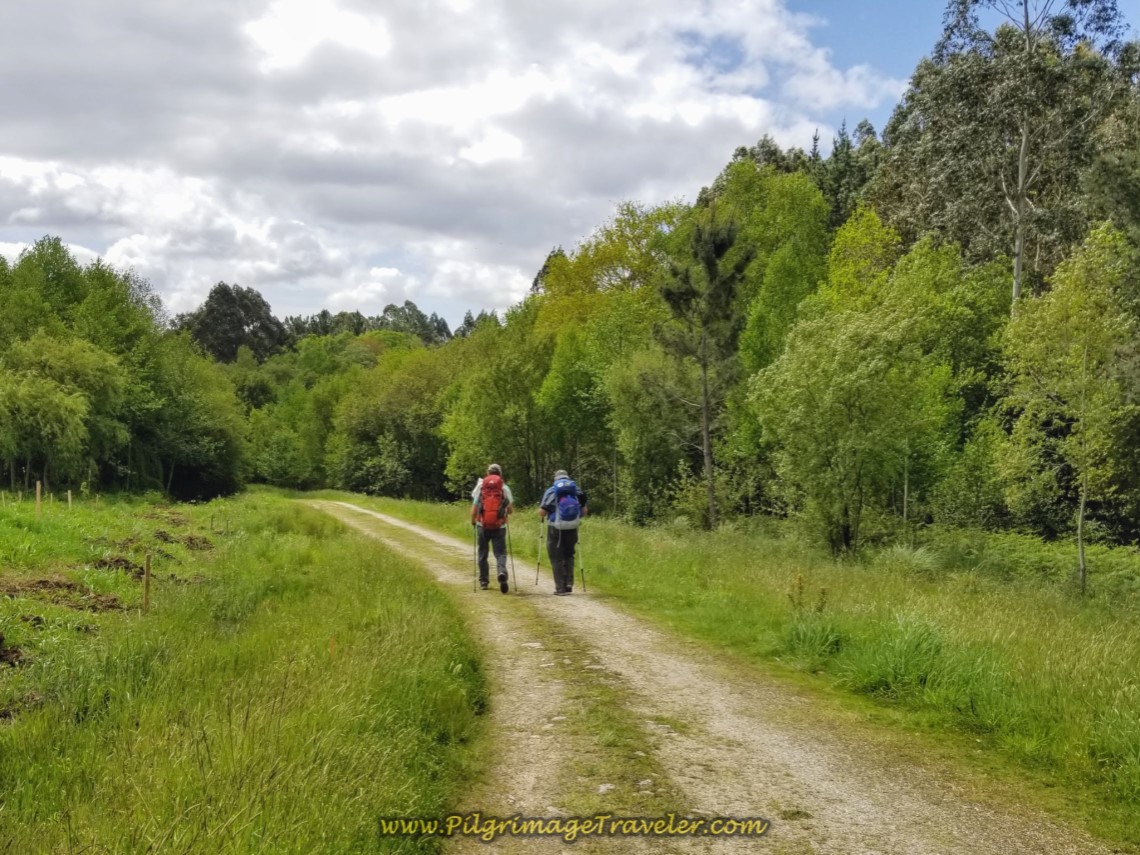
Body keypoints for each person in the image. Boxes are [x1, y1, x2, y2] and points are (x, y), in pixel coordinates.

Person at [539, 469, 587, 595]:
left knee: (556, 557)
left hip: (555, 528)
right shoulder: (576, 490)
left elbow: (542, 513)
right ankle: (569, 584)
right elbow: (584, 511)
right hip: (572, 527)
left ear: (556, 479)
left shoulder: (552, 490)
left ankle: (560, 588)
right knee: (569, 554)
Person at [471, 464, 514, 593]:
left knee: (483, 553)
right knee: (500, 553)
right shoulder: (504, 488)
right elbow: (510, 510)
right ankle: (501, 572)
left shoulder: (481, 486)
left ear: (487, 473)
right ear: (500, 474)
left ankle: (484, 581)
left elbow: (474, 507)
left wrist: (473, 520)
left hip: (482, 525)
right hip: (499, 526)